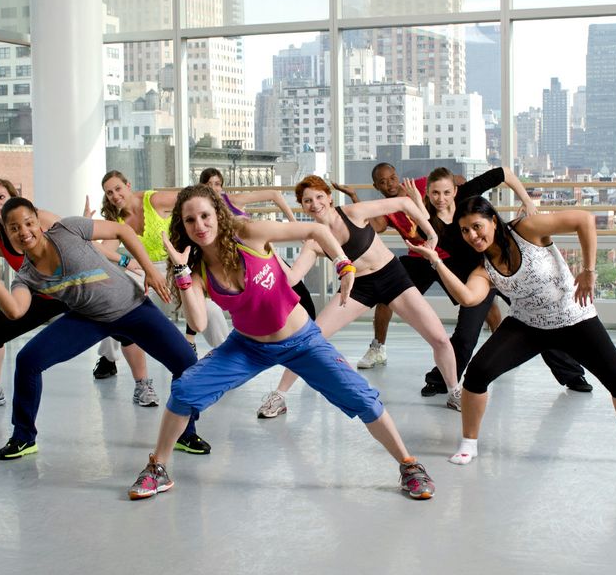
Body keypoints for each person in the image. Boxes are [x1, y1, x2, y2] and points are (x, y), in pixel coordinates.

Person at [127, 184, 435, 501]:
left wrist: (343, 263)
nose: (200, 226)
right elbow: (199, 322)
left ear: (218, 215)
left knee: (364, 398)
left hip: (301, 340)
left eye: (205, 216)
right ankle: (158, 467)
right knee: (185, 390)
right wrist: (180, 270)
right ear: (182, 225)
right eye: (190, 220)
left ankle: (409, 466)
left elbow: (316, 230)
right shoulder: (196, 267)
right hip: (247, 346)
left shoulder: (248, 232)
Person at [406, 196, 616, 472]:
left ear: (493, 221)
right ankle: (468, 444)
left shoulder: (526, 229)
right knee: (477, 374)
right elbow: (468, 298)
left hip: (574, 318)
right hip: (527, 326)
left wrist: (589, 271)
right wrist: (436, 261)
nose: (473, 235)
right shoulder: (483, 268)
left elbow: (584, 219)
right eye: (465, 231)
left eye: (477, 226)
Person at [0, 196, 208, 460]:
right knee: (27, 360)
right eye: (14, 228)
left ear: (38, 222)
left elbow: (121, 230)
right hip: (88, 319)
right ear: (7, 234)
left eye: (28, 223)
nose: (23, 232)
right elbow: (15, 311)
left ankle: (185, 433)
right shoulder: (26, 276)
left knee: (185, 361)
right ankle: (23, 437)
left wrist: (149, 269)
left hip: (132, 308)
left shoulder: (67, 229)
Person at [347, 162, 592, 395]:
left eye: (445, 192)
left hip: (504, 267)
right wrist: (417, 205)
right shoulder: (430, 221)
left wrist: (527, 201)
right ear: (427, 195)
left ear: (454, 190)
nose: (440, 198)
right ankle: (440, 380)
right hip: (479, 278)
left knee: (539, 319)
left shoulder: (467, 193)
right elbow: (428, 235)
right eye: (434, 194)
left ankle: (572, 375)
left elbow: (503, 172)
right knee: (466, 335)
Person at [255, 175, 459, 419]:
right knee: (308, 338)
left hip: (392, 277)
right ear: (302, 206)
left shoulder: (353, 212)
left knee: (439, 338)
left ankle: (454, 391)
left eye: (319, 197)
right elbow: (292, 279)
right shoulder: (313, 241)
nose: (315, 203)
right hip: (357, 287)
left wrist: (431, 234)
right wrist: (267, 249)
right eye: (307, 200)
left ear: (329, 198)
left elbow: (404, 204)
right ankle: (279, 395)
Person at [0, 178, 153, 410]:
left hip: (75, 288)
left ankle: (142, 384)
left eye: (1, 197)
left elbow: (81, 242)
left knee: (122, 328)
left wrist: (123, 260)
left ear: (14, 197)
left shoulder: (39, 218)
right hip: (44, 297)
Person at [91, 171, 230, 421]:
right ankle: (108, 358)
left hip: (173, 265)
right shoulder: (116, 219)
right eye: (109, 192)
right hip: (141, 269)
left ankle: (227, 356)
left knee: (208, 310)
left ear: (128, 185)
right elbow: (101, 248)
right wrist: (126, 260)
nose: (114, 196)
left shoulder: (153, 201)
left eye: (118, 189)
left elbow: (192, 198)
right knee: (115, 301)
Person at [199, 167, 316, 322]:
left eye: (217, 183)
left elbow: (274, 194)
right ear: (202, 186)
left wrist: (294, 223)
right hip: (237, 265)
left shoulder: (232, 200)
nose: (214, 188)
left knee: (296, 289)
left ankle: (312, 328)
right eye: (209, 184)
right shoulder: (202, 213)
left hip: (260, 255)